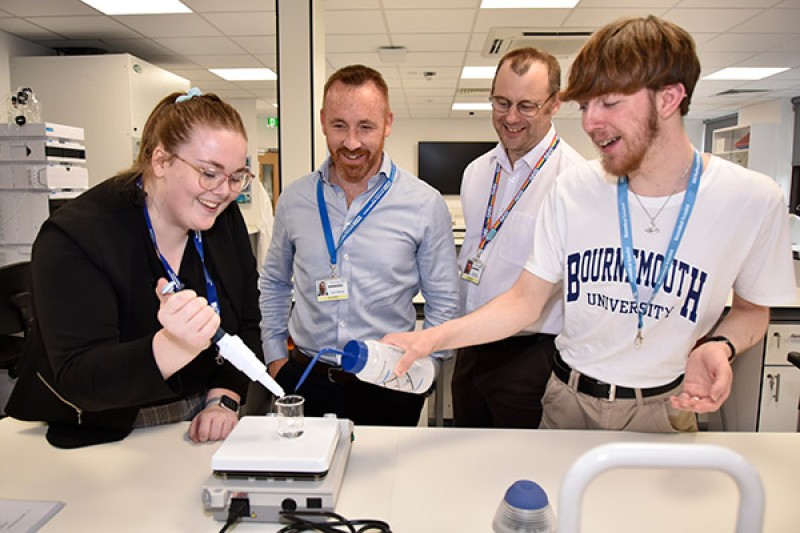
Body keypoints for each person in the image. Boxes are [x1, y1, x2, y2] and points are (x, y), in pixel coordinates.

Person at [383, 15, 795, 433]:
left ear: (668, 99)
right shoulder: (575, 187)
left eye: (610, 103)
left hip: (664, 407)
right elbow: (524, 301)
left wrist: (722, 346)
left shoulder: (753, 199)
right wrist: (429, 339)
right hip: (568, 398)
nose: (590, 123)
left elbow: (751, 310)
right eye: (585, 106)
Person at [6, 89, 263, 447]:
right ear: (160, 161)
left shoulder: (222, 217)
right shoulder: (76, 236)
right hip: (105, 427)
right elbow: (82, 379)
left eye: (237, 176)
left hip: (202, 417)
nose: (223, 191)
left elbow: (248, 320)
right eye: (209, 173)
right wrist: (172, 345)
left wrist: (224, 398)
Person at [259, 64, 459, 426]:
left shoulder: (424, 204)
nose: (351, 142)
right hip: (307, 378)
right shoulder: (295, 199)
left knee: (386, 484)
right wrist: (276, 358)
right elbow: (274, 282)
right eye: (339, 126)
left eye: (365, 126)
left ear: (387, 123)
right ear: (322, 121)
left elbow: (444, 300)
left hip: (389, 383)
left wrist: (425, 368)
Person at [453, 47, 584, 429]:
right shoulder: (477, 172)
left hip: (531, 356)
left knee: (523, 474)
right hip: (471, 346)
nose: (510, 118)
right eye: (501, 101)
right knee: (466, 456)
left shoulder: (574, 181)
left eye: (526, 106)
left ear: (554, 104)